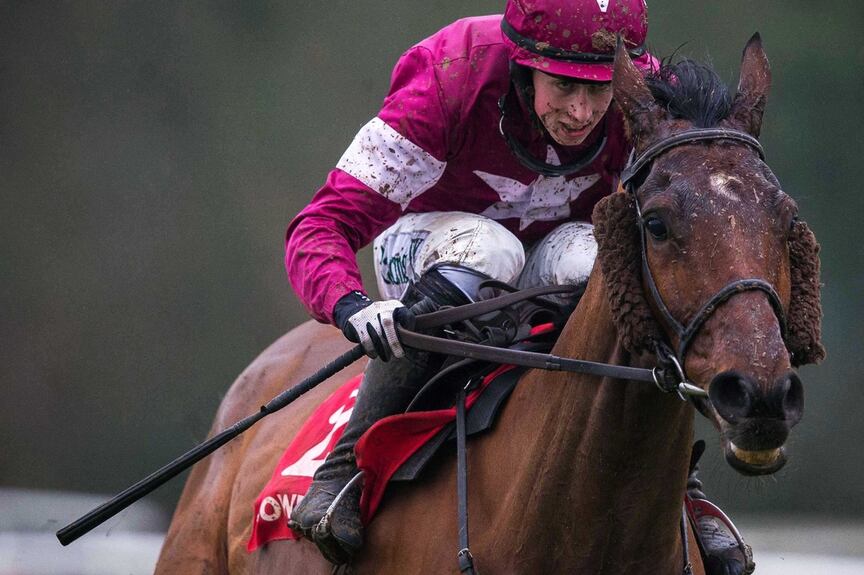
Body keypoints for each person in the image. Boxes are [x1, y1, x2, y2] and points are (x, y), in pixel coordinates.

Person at [284, 0, 752, 570]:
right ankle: (343, 469)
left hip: (557, 259)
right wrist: (349, 303)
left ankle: (684, 483)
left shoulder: (649, 99)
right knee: (490, 248)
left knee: (609, 258)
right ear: (523, 62)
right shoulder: (451, 75)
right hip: (434, 251)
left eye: (600, 89)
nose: (581, 112)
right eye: (562, 85)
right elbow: (322, 224)